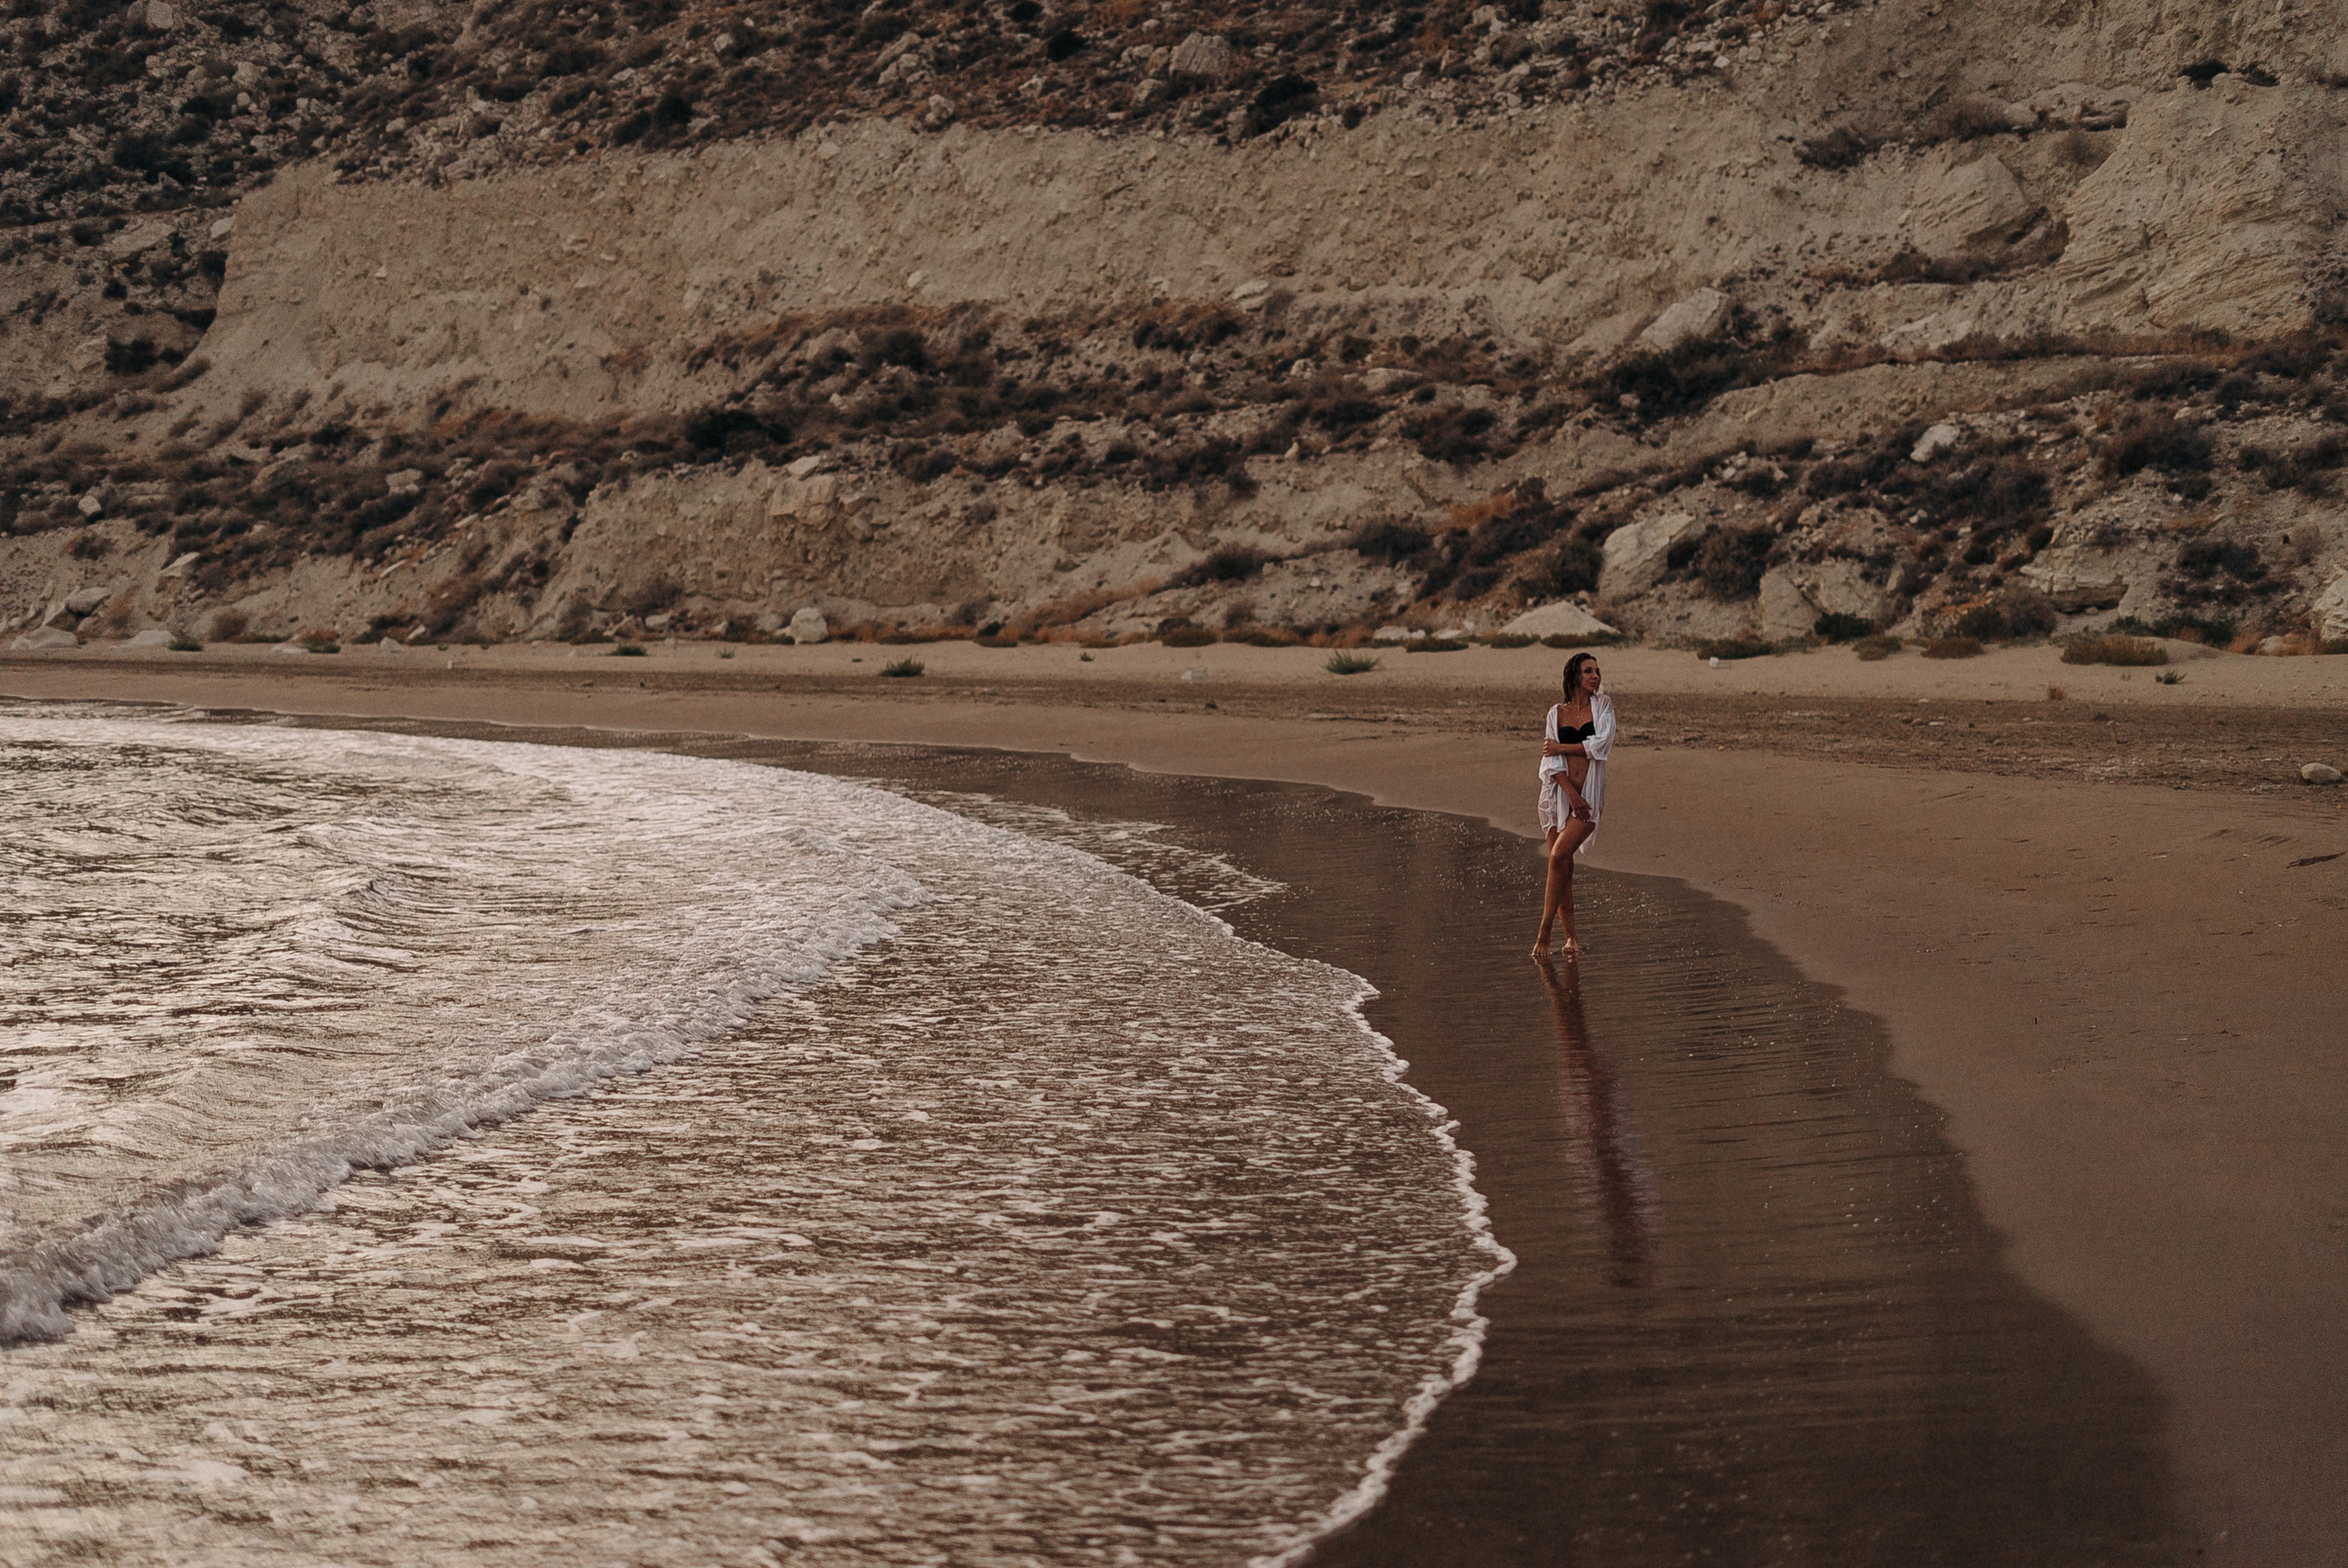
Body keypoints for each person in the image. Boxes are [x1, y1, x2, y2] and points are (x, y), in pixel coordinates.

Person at [1532, 651, 1614, 957]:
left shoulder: (1603, 706)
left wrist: (1561, 746)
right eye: (1588, 671)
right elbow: (1550, 762)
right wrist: (1571, 795)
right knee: (1563, 868)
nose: (1595, 676)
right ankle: (1571, 938)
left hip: (1589, 796)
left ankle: (1544, 931)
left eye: (1597, 671)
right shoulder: (1556, 713)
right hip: (1558, 796)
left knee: (1557, 857)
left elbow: (1600, 746)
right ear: (1575, 676)